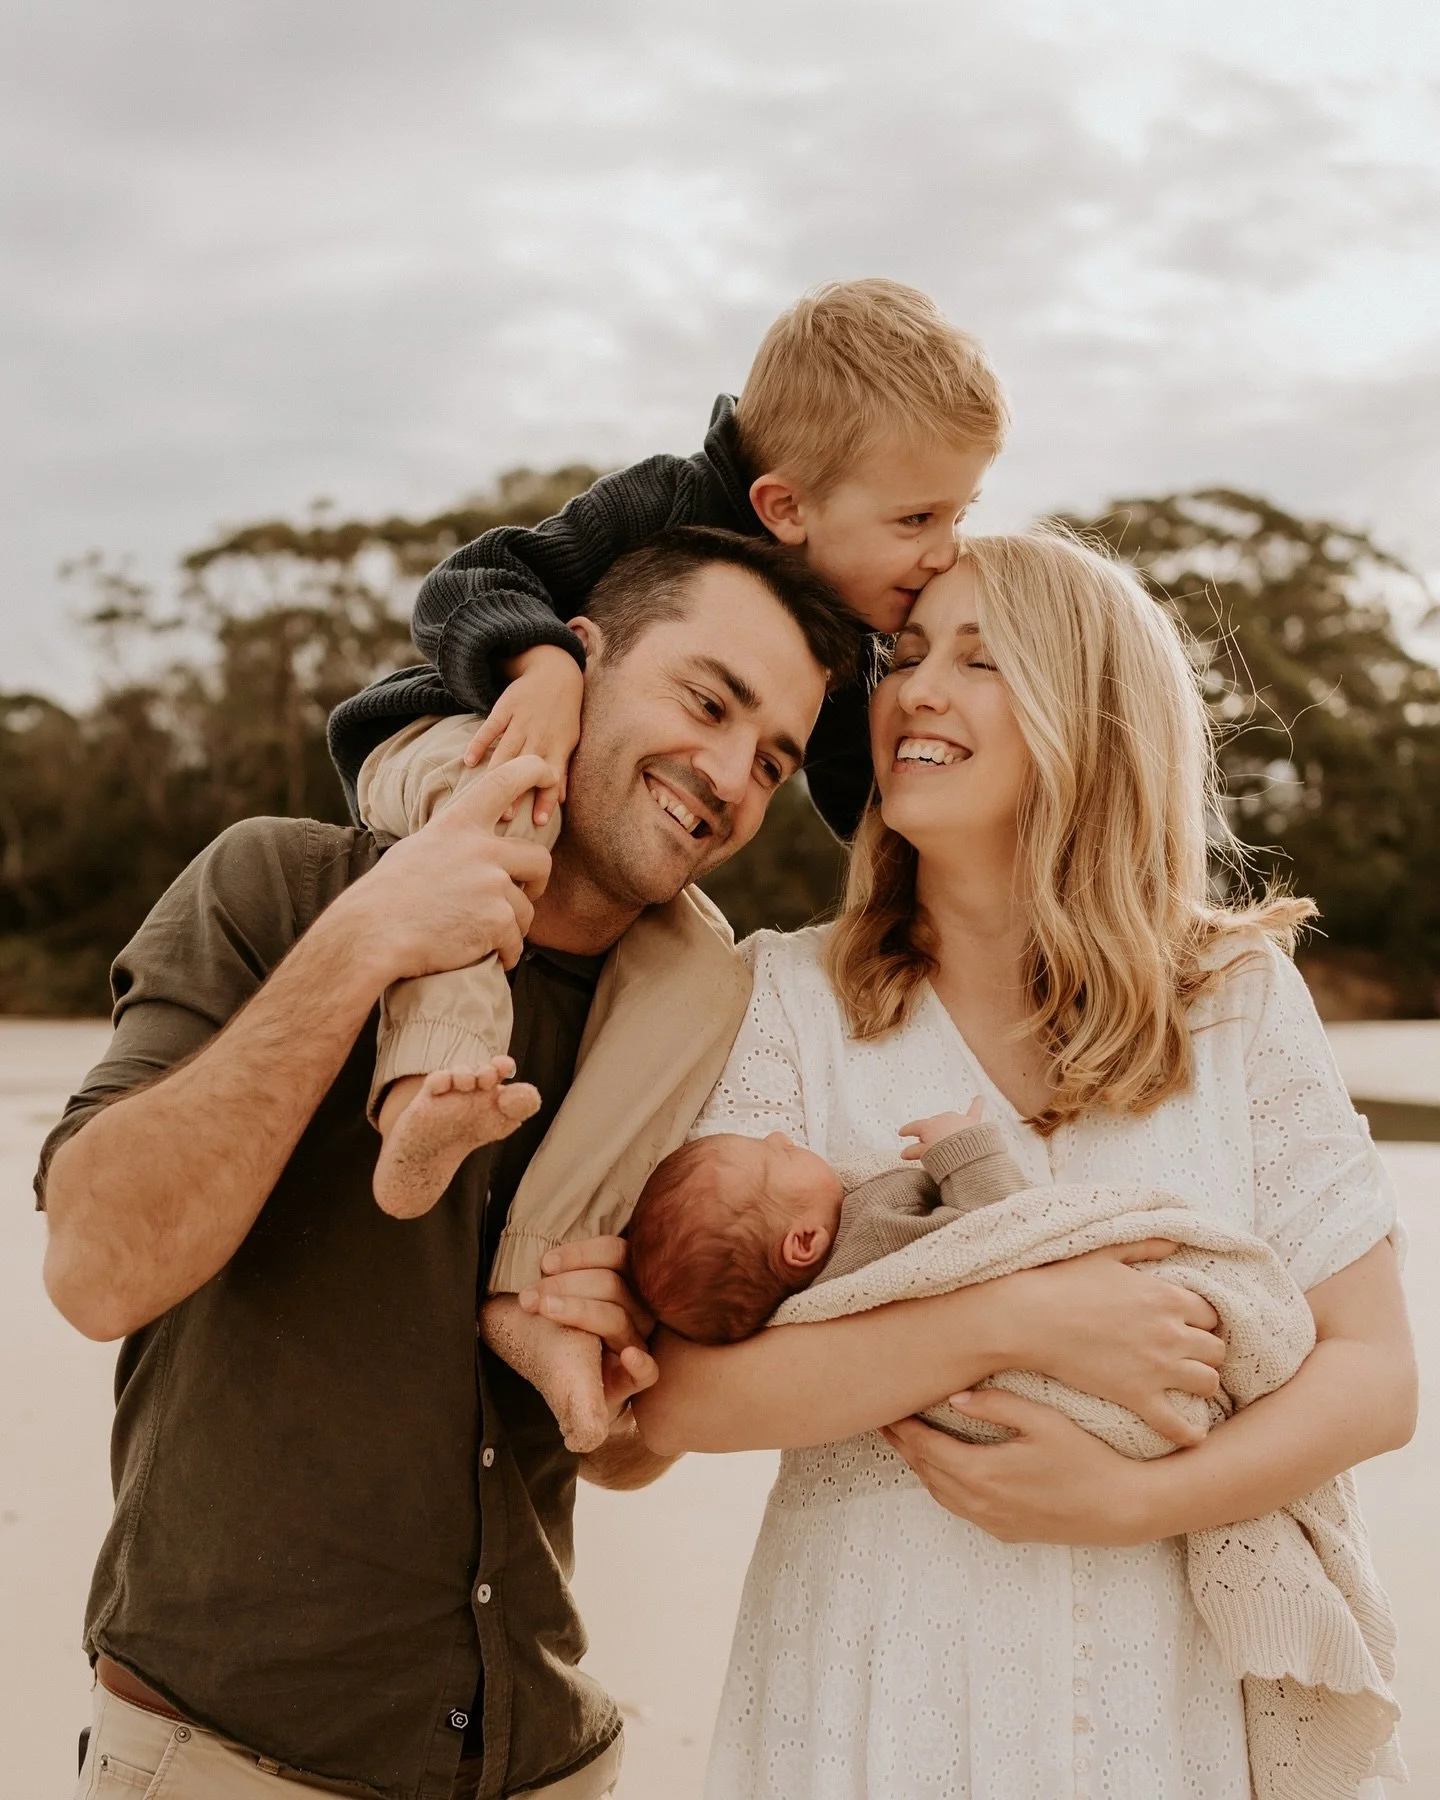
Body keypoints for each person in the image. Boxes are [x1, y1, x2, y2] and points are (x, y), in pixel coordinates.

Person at [37, 530, 855, 1800]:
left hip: (546, 1758)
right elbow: (95, 1272)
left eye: (775, 759)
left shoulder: (700, 1027)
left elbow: (623, 1452)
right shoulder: (277, 884)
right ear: (578, 664)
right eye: (707, 701)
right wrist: (361, 944)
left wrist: (629, 1352)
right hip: (227, 1762)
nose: (732, 778)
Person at [623, 531, 1418, 1798]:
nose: (916, 690)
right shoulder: (787, 996)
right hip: (874, 1689)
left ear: (1093, 719)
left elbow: (1375, 1377)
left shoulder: (1236, 1001)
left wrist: (1131, 1502)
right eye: (910, 654)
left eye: (983, 660)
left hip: (1177, 1699)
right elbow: (678, 1397)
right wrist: (1016, 1316)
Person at [324, 279, 1007, 1238]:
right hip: (462, 741)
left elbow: (867, 800)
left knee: (702, 974)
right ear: (784, 505)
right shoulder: (669, 500)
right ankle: (424, 1087)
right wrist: (547, 666)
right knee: (499, 822)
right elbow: (468, 578)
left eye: (958, 515)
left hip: (587, 827)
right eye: (916, 521)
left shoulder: (847, 645)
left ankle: (543, 1271)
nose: (945, 551)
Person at [627, 1099, 1022, 1342]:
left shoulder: (845, 1250)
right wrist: (965, 1148)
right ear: (803, 1242)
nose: (779, 1137)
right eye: (778, 1157)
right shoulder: (878, 1232)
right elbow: (995, 1236)